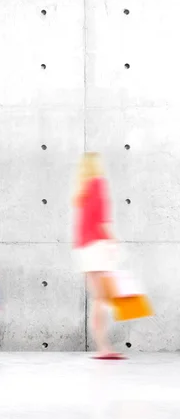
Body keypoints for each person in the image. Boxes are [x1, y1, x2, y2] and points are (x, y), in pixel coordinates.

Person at [73, 152, 123, 359]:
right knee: (102, 299)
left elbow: (83, 224)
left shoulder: (82, 191)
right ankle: (104, 348)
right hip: (97, 246)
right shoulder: (98, 184)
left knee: (98, 299)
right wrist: (113, 241)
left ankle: (103, 347)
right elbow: (102, 221)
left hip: (83, 249)